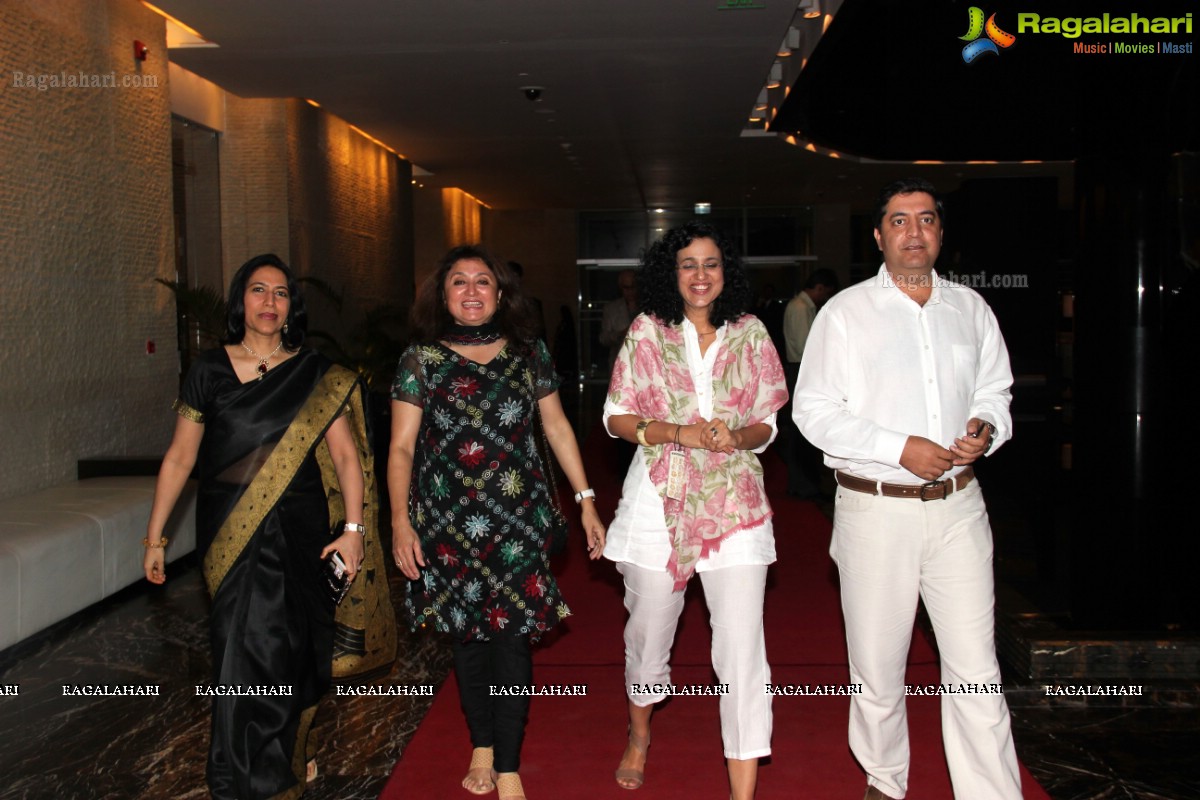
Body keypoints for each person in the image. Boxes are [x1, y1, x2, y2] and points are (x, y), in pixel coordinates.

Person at [793, 179, 1021, 800]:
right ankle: (886, 780)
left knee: (977, 669)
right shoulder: (844, 313)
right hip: (875, 510)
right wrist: (900, 447)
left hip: (959, 508)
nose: (913, 232)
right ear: (878, 235)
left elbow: (994, 391)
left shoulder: (971, 309)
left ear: (941, 233)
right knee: (878, 666)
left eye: (925, 220)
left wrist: (985, 429)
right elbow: (812, 412)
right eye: (899, 221)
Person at [143, 253, 395, 799]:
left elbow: (348, 459)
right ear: (241, 301)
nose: (269, 302)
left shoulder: (314, 373)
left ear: (290, 308)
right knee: (240, 651)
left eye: (281, 293)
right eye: (258, 290)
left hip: (303, 530)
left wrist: (353, 530)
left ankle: (289, 752)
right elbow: (180, 459)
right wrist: (155, 537)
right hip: (229, 534)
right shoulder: (208, 370)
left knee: (296, 649)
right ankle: (242, 780)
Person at [388, 245, 606, 800]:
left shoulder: (528, 353)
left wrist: (585, 500)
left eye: (482, 281)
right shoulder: (421, 358)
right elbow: (402, 448)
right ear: (443, 295)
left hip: (519, 522)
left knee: (510, 639)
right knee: (467, 635)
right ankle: (480, 740)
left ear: (501, 292)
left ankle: (506, 761)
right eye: (458, 282)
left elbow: (556, 427)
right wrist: (398, 520)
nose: (470, 291)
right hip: (446, 523)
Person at [603, 221, 788, 799]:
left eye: (711, 264)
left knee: (741, 648)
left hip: (735, 504)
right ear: (671, 273)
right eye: (688, 264)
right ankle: (639, 732)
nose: (701, 275)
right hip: (658, 500)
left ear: (725, 273)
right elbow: (615, 418)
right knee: (650, 629)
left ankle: (742, 792)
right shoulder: (646, 332)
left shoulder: (752, 334)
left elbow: (768, 421)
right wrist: (678, 431)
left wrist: (737, 438)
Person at [779, 268, 840, 498]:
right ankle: (804, 485)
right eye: (825, 293)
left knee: (802, 431)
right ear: (820, 287)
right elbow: (808, 349)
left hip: (798, 369)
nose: (823, 298)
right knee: (804, 432)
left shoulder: (799, 306)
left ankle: (803, 484)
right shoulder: (801, 308)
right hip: (801, 370)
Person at [599, 268, 639, 369]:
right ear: (621, 288)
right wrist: (620, 334)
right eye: (626, 287)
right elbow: (603, 338)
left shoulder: (646, 307)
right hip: (619, 365)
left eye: (633, 287)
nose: (630, 291)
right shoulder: (611, 309)